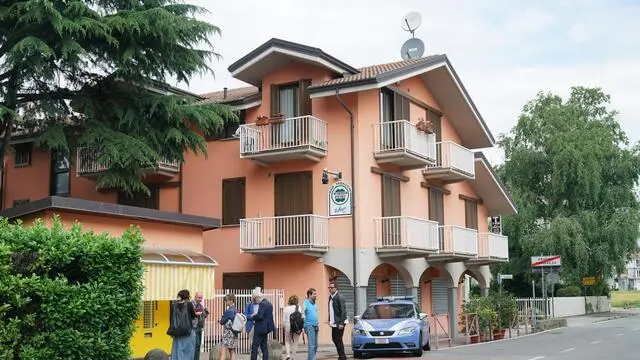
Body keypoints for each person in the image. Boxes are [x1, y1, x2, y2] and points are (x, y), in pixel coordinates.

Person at [169, 289, 198, 360]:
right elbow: (193, 316)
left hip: (177, 332)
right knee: (188, 350)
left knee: (177, 350)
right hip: (187, 331)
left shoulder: (173, 305)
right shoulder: (189, 304)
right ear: (188, 296)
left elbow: (171, 318)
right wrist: (197, 314)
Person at [248, 287, 275, 360]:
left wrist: (252, 316)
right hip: (266, 329)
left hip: (260, 328)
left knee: (254, 346)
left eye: (255, 299)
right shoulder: (269, 303)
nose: (255, 301)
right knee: (264, 346)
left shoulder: (262, 304)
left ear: (258, 297)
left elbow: (260, 316)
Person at [328, 281, 347, 360]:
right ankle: (341, 356)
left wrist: (342, 323)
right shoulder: (331, 297)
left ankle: (342, 357)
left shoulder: (339, 297)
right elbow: (330, 310)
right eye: (329, 287)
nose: (330, 289)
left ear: (336, 288)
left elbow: (343, 311)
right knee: (335, 339)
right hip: (334, 322)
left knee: (338, 339)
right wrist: (329, 320)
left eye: (332, 288)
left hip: (340, 322)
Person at [283, 294, 304, 360]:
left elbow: (284, 320)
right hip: (296, 327)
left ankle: (288, 355)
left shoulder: (286, 308)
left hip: (288, 326)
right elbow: (302, 318)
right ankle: (293, 357)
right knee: (295, 342)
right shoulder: (299, 308)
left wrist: (284, 327)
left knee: (287, 341)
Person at [218, 293, 238, 360]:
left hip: (228, 333)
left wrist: (219, 321)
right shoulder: (235, 310)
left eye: (226, 300)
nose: (225, 302)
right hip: (234, 332)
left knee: (223, 351)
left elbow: (222, 321)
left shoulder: (229, 311)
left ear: (231, 301)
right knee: (232, 352)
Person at [302, 288, 318, 360]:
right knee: (311, 345)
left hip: (315, 325)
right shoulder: (305, 302)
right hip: (309, 326)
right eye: (314, 294)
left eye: (315, 293)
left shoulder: (314, 303)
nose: (315, 295)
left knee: (315, 345)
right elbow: (302, 312)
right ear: (309, 295)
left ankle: (310, 358)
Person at [192, 292, 209, 360]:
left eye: (201, 298)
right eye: (199, 298)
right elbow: (189, 315)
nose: (200, 299)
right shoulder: (191, 305)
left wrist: (206, 312)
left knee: (198, 345)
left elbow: (203, 316)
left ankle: (196, 358)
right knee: (195, 345)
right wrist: (196, 314)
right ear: (195, 297)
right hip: (194, 327)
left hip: (199, 327)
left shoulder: (200, 305)